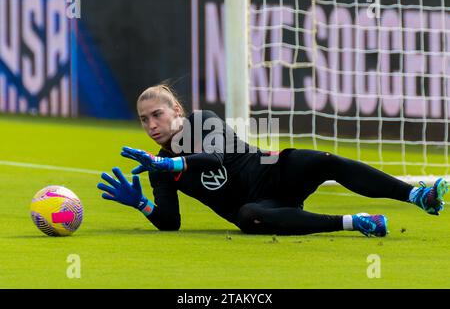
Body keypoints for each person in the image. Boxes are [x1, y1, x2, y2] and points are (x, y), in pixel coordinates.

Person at [97, 84, 448, 237]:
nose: (151, 125)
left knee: (325, 160)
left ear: (176, 110)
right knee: (249, 218)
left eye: (156, 114)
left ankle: (417, 195)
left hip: (275, 172)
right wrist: (142, 204)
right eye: (143, 119)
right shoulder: (158, 166)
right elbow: (170, 223)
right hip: (258, 205)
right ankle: (355, 222)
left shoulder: (202, 122)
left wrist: (171, 166)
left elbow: (214, 158)